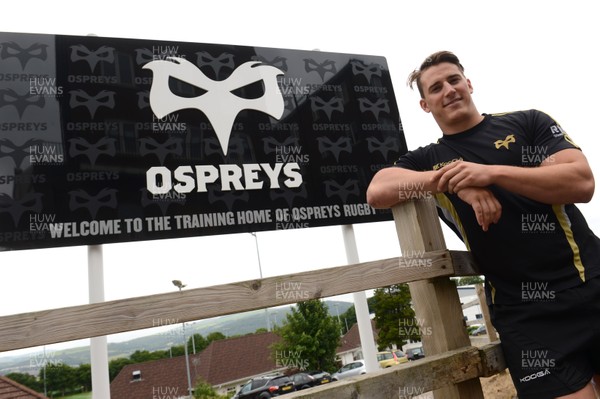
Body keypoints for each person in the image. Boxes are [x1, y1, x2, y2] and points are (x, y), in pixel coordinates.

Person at [366, 51, 600, 399]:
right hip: (526, 316)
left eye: (453, 80)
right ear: (425, 105)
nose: (448, 90)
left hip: (590, 283)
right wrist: (452, 180)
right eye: (435, 88)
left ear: (468, 83)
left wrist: (490, 174)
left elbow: (581, 182)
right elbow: (378, 190)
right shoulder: (428, 160)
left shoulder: (527, 123)